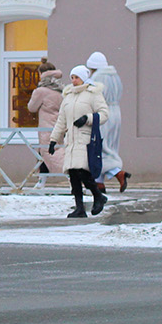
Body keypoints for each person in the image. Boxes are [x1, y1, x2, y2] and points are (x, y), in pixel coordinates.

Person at [48, 65, 110, 218]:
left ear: (84, 78)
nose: (74, 81)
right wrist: (53, 139)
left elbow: (104, 114)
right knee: (73, 174)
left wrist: (87, 119)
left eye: (76, 77)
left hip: (85, 139)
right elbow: (61, 120)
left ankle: (98, 196)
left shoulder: (92, 94)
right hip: (71, 140)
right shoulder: (68, 96)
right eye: (72, 78)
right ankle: (79, 208)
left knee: (82, 171)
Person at [87, 51, 130, 192]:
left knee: (100, 146)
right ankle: (99, 182)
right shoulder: (114, 76)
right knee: (111, 145)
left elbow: (93, 96)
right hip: (116, 112)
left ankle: (117, 173)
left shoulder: (97, 77)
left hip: (103, 113)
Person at [27, 62, 66, 186]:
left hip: (46, 127)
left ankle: (71, 175)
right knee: (48, 152)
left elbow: (31, 107)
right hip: (59, 126)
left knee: (50, 154)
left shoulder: (41, 91)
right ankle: (41, 182)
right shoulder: (61, 89)